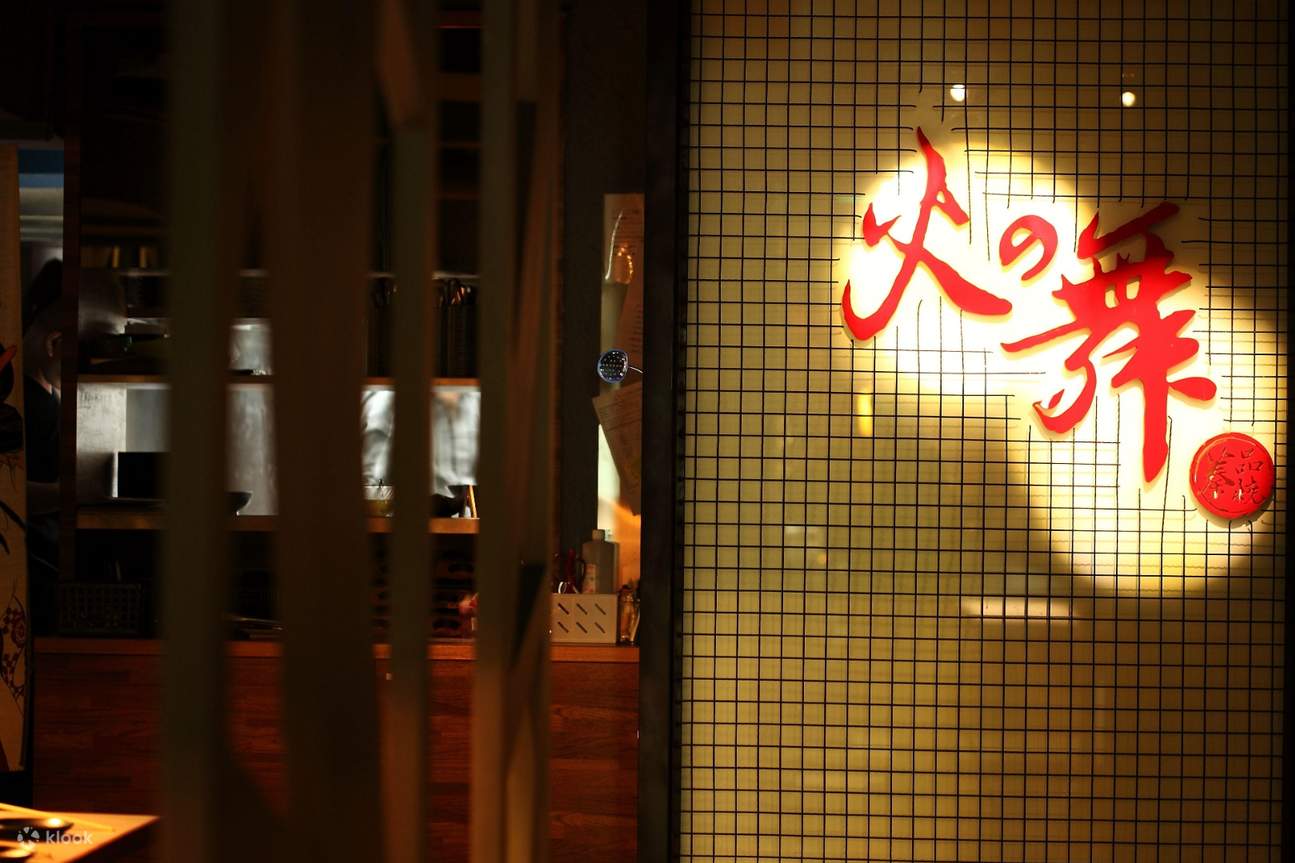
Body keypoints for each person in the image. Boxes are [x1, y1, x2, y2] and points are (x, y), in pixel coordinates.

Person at [22, 259, 61, 636]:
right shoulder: (15, 399)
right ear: (53, 343)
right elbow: (9, 489)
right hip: (26, 572)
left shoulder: (47, 396)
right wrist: (67, 496)